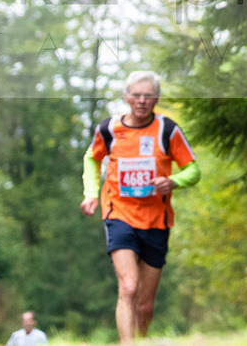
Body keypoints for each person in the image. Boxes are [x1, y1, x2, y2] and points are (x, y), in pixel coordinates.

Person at [80, 70, 201, 344]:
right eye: (136, 95)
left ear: (156, 98)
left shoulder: (167, 130)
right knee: (129, 286)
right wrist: (90, 193)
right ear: (126, 97)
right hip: (119, 212)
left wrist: (173, 181)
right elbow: (92, 158)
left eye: (148, 95)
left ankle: (141, 339)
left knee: (145, 305)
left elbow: (193, 170)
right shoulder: (109, 129)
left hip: (157, 219)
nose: (142, 101)